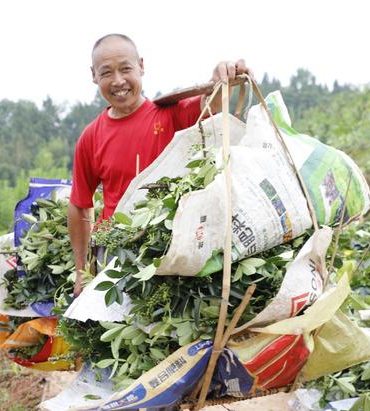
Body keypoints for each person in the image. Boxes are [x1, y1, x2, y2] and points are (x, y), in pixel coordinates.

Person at [68, 33, 251, 295]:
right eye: (107, 72)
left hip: (169, 249)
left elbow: (210, 106)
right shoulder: (91, 137)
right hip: (115, 255)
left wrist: (225, 77)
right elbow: (79, 206)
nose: (118, 81)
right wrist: (80, 272)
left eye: (126, 69)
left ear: (141, 66)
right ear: (94, 76)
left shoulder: (171, 114)